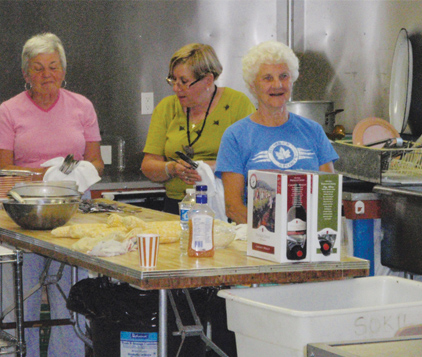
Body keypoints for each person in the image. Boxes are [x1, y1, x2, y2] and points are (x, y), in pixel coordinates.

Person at [0, 32, 103, 357]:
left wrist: (69, 173)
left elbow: (95, 161)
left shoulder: (82, 106)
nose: (46, 75)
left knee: (70, 304)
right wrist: (44, 176)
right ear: (26, 74)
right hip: (22, 219)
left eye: (53, 66)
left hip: (72, 219)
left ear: (63, 70)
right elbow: (2, 170)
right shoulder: (9, 110)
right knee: (18, 302)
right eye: (38, 68)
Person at [215, 40, 339, 224]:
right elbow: (233, 207)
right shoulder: (235, 136)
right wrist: (273, 233)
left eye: (284, 76)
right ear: (252, 85)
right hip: (259, 239)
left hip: (307, 234)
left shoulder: (313, 131)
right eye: (267, 78)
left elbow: (329, 196)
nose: (277, 84)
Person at [141, 43, 255, 214]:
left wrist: (211, 168)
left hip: (225, 206)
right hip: (178, 206)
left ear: (208, 80)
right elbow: (148, 166)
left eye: (184, 82)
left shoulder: (237, 104)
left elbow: (253, 161)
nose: (175, 88)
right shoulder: (166, 108)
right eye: (173, 79)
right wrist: (172, 168)